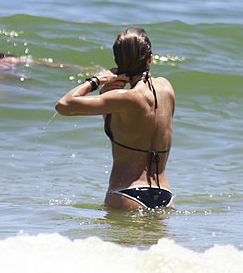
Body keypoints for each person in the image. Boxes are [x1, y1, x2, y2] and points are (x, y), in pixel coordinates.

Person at [55, 27, 175, 210]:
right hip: (165, 196)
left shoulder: (125, 98)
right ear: (150, 59)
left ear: (117, 63)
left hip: (128, 194)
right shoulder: (166, 88)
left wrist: (96, 80)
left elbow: (64, 105)